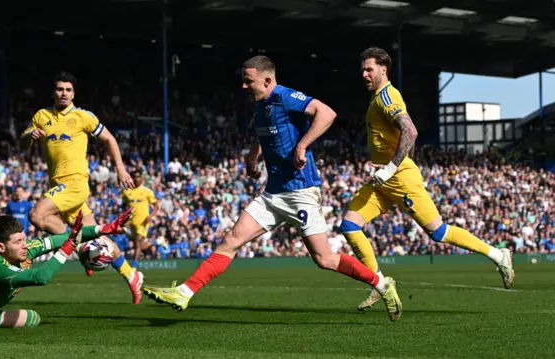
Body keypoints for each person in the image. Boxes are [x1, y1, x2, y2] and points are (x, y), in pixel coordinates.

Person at [143, 55, 403, 322]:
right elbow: (266, 131)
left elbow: (327, 114)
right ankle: (185, 292)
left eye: (249, 81)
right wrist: (253, 154)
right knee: (231, 239)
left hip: (301, 192)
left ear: (267, 80)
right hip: (273, 194)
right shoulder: (259, 104)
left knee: (324, 259)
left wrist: (302, 145)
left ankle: (383, 285)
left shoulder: (285, 96)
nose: (244, 86)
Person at [340, 47, 514, 311]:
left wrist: (391, 167)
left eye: (369, 69)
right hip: (382, 180)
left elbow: (410, 130)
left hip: (399, 179)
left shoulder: (387, 96)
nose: (363, 74)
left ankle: (499, 255)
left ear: (383, 69)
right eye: (362, 69)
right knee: (350, 225)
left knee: (439, 232)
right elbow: (402, 138)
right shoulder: (378, 97)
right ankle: (380, 283)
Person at [20, 71, 143, 304]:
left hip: (75, 184)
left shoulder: (83, 117)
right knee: (95, 237)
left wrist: (121, 169)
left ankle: (74, 248)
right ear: (53, 92)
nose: (63, 93)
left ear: (73, 93)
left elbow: (110, 139)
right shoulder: (41, 116)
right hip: (59, 186)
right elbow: (23, 143)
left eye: (67, 90)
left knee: (37, 215)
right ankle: (131, 274)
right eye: (59, 89)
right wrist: (30, 136)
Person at [0, 208, 132, 328]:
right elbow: (40, 278)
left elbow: (63, 237)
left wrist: (107, 228)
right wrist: (67, 249)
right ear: (1, 247)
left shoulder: (21, 250)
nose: (24, 245)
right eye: (18, 242)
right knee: (32, 319)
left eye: (24, 239)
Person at [121, 171, 160, 267]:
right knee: (137, 245)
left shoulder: (147, 191)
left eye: (139, 178)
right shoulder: (126, 192)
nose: (137, 179)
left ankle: (133, 267)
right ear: (132, 179)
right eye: (135, 177)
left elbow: (156, 206)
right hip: (132, 223)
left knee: (138, 241)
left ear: (142, 180)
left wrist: (150, 216)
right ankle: (154, 242)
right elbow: (123, 206)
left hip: (143, 222)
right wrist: (125, 219)